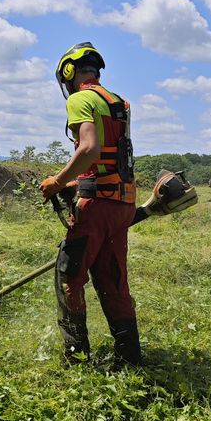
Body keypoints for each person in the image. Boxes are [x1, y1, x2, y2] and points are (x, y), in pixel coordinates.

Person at [39, 42, 141, 366]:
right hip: (120, 204)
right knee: (112, 279)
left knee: (68, 277)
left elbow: (90, 150)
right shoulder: (118, 103)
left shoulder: (81, 99)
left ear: (69, 74)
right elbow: (111, 160)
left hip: (96, 208)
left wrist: (56, 181)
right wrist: (75, 182)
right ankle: (129, 357)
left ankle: (76, 359)